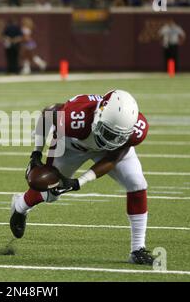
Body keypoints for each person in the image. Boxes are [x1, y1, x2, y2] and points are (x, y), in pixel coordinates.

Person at [10, 90, 154, 265]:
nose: (111, 139)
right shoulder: (74, 118)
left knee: (137, 182)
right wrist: (36, 153)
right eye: (108, 133)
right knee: (51, 191)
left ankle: (137, 249)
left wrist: (80, 181)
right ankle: (20, 205)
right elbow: (48, 113)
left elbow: (112, 157)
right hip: (71, 145)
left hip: (107, 153)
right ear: (98, 114)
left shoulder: (135, 129)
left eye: (117, 136)